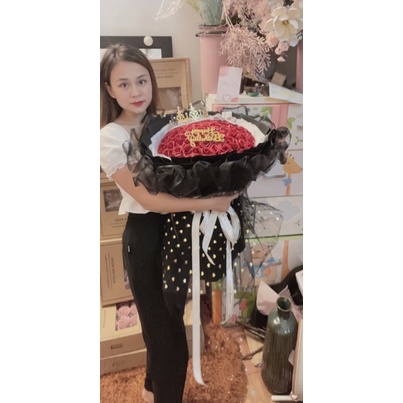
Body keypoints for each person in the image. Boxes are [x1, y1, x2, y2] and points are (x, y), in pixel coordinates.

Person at [100, 43, 238, 403]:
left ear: (152, 81)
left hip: (175, 232)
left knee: (167, 322)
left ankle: (151, 389)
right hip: (145, 238)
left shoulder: (161, 123)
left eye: (142, 81)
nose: (136, 91)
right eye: (124, 84)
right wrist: (211, 202)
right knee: (171, 343)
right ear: (109, 89)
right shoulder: (111, 137)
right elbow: (148, 199)